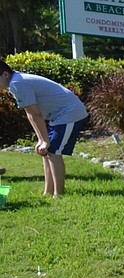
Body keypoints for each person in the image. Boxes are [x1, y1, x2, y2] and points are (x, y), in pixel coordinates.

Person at [0, 60, 88, 198]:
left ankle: (58, 194)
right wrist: (41, 140)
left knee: (52, 152)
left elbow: (36, 114)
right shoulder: (15, 82)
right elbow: (30, 114)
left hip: (69, 113)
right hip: (58, 116)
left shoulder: (17, 83)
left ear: (5, 74)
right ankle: (48, 191)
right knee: (46, 152)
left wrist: (45, 141)